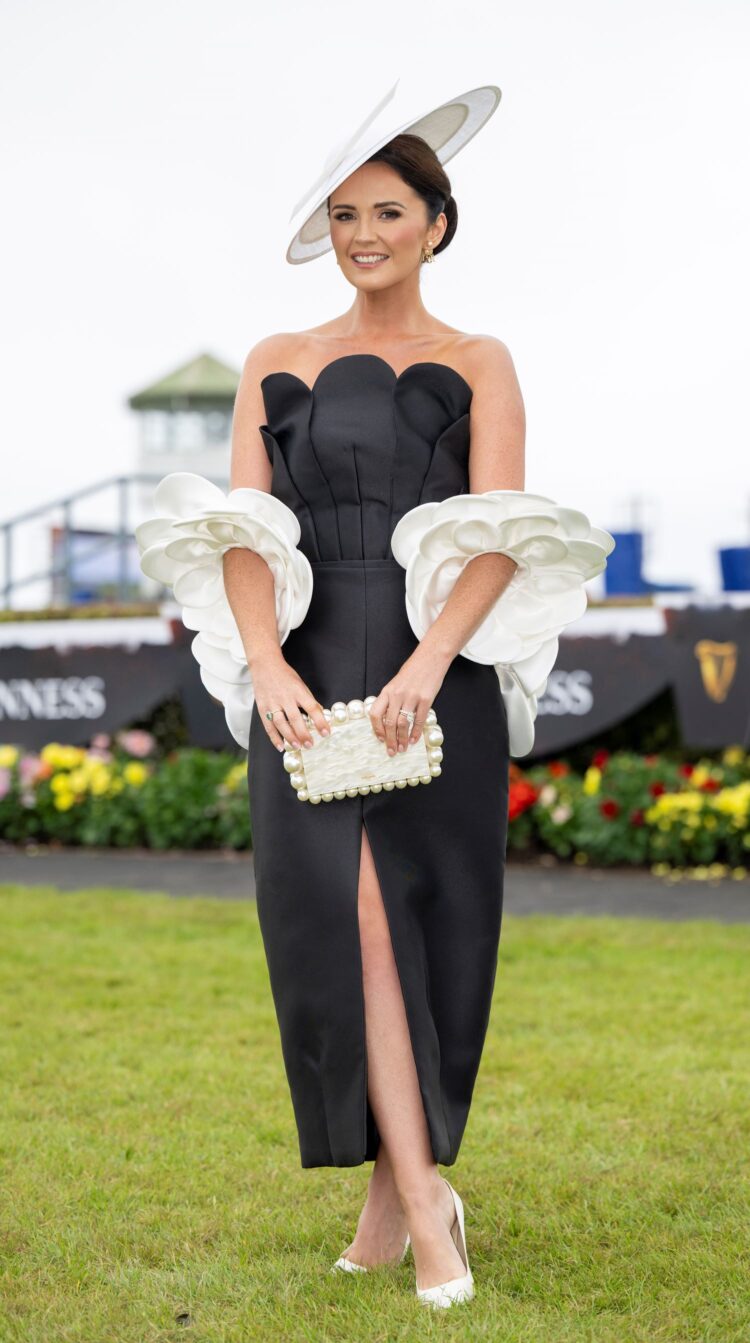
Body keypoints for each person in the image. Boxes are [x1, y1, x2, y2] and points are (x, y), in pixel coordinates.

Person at [135, 80, 613, 1309]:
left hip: (427, 677)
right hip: (300, 670)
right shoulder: (275, 360)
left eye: (388, 210)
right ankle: (417, 1197)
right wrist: (272, 665)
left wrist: (423, 663)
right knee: (337, 929)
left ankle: (409, 1202)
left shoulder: (479, 360)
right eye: (344, 212)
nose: (363, 233)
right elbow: (243, 533)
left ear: (436, 223)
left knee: (417, 929)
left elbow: (500, 535)